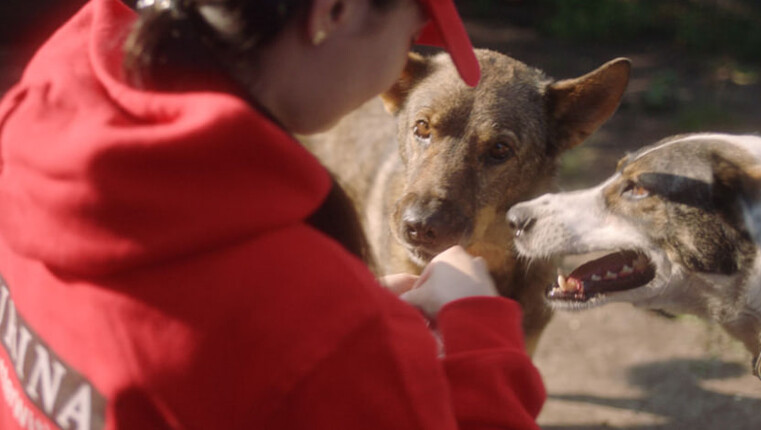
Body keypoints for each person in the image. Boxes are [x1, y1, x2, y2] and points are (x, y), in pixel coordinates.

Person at [0, 0, 546, 428]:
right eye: (411, 36)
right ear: (335, 10)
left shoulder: (27, 126)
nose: (399, 68)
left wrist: (346, 307)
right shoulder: (319, 321)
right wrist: (480, 329)